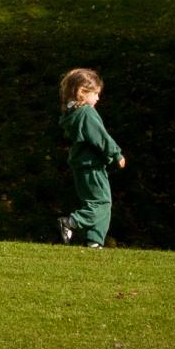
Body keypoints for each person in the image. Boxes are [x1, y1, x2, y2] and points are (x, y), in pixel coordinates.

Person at [58, 67, 126, 247]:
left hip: (81, 164)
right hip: (91, 165)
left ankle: (94, 242)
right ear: (82, 92)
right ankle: (71, 222)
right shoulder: (86, 113)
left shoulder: (71, 113)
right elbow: (100, 137)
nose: (98, 98)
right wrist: (116, 153)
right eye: (95, 93)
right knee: (101, 203)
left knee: (98, 203)